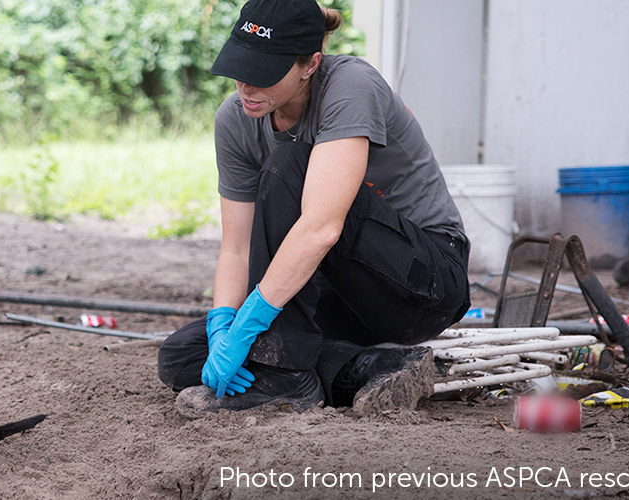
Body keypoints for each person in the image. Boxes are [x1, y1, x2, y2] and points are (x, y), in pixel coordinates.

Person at [157, 0, 471, 418]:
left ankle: (284, 378)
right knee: (181, 355)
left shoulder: (350, 84)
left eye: (262, 73)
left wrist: (249, 325)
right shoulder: (234, 120)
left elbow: (322, 227)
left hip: (421, 283)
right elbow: (236, 250)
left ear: (310, 64)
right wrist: (223, 324)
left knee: (290, 163)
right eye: (240, 66)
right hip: (332, 287)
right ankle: (367, 368)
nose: (245, 86)